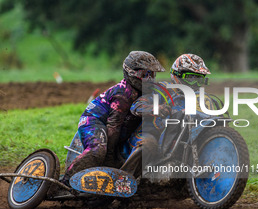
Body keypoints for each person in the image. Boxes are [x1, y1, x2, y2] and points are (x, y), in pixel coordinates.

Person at [62, 51, 165, 184]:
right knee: (98, 150)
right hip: (93, 121)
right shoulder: (123, 94)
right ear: (131, 72)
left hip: (117, 127)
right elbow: (113, 128)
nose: (149, 79)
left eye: (152, 74)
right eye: (145, 75)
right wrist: (109, 159)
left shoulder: (145, 93)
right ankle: (65, 180)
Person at [121, 53, 211, 178]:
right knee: (147, 144)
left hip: (181, 137)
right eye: (190, 78)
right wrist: (157, 108)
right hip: (153, 133)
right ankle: (123, 179)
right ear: (176, 75)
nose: (194, 83)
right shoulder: (162, 89)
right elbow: (137, 106)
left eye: (199, 79)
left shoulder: (201, 98)